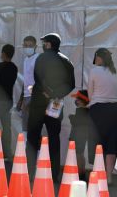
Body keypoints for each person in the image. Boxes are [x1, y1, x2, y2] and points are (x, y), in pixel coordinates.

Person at [27, 33, 75, 182]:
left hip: (38, 103)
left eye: (44, 43)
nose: (43, 45)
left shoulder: (42, 58)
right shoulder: (67, 61)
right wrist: (55, 94)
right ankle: (54, 174)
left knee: (33, 137)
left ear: (48, 44)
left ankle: (29, 171)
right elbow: (71, 84)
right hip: (55, 103)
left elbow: (38, 77)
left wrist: (48, 92)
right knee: (54, 138)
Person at [88, 48, 117, 184]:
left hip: (98, 109)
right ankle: (109, 176)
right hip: (114, 109)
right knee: (112, 143)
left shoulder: (94, 71)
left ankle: (98, 175)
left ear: (99, 58)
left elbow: (90, 94)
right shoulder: (115, 72)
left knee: (98, 142)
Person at [17, 36, 39, 138]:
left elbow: (40, 79)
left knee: (33, 127)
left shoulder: (38, 59)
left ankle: (36, 151)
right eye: (25, 45)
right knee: (25, 126)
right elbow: (26, 80)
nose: (27, 48)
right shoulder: (26, 60)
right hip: (26, 96)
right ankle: (26, 151)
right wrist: (21, 99)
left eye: (30, 46)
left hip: (34, 96)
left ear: (35, 46)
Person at [69, 90, 90, 181]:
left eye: (77, 99)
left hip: (77, 135)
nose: (76, 100)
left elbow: (76, 122)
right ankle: (82, 173)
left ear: (81, 100)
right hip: (81, 135)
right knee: (80, 154)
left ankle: (80, 174)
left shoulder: (81, 111)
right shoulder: (87, 111)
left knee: (78, 155)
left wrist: (71, 117)